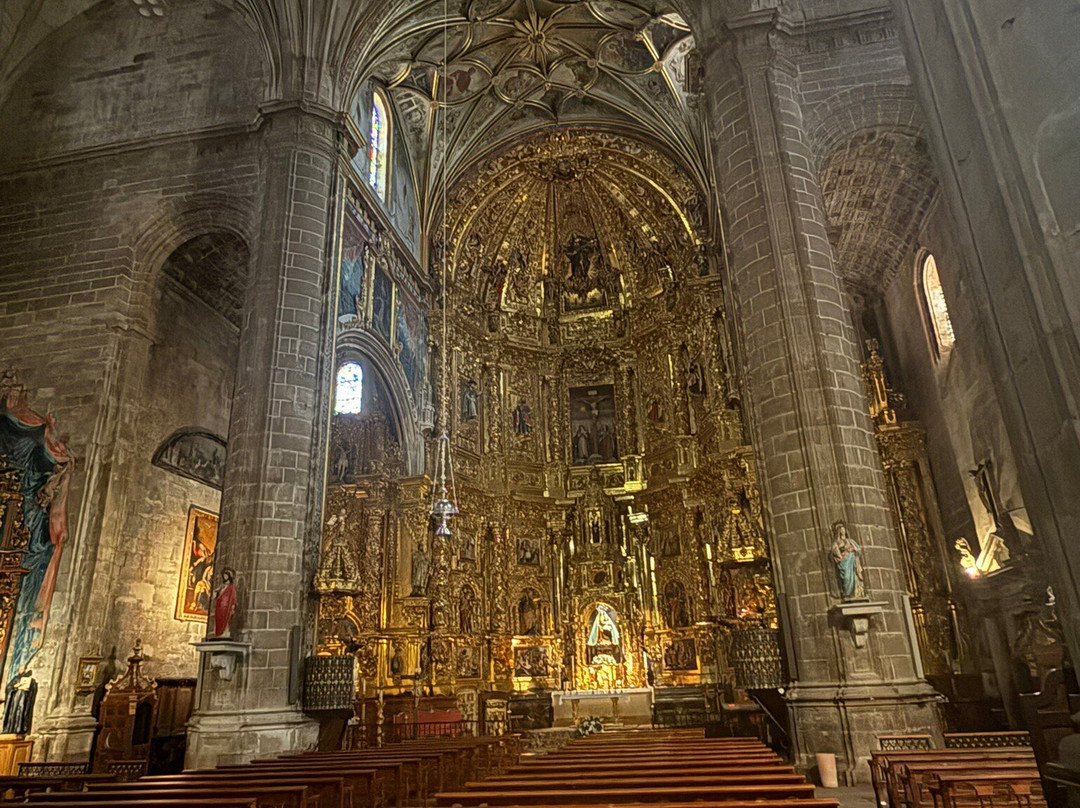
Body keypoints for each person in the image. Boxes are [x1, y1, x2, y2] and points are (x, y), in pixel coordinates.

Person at [830, 521, 865, 599]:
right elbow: (835, 551)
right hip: (844, 562)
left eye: (844, 529)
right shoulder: (837, 542)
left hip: (852, 560)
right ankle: (847, 593)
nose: (843, 531)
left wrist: (853, 550)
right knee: (846, 577)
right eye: (841, 529)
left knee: (855, 576)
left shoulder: (850, 541)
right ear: (838, 531)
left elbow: (858, 549)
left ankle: (856, 593)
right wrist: (842, 554)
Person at [213, 569, 237, 638]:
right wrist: (216, 594)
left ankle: (224, 633)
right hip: (220, 605)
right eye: (224, 576)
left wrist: (233, 605)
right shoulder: (222, 586)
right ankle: (219, 633)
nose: (225, 577)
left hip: (227, 606)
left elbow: (233, 596)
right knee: (219, 618)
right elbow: (218, 594)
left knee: (226, 619)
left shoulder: (231, 587)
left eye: (226, 576)